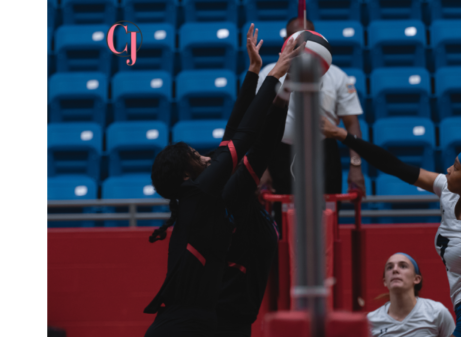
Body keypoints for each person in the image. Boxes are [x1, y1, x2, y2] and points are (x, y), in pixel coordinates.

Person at [142, 26, 303, 337]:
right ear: (186, 175)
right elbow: (247, 140)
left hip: (204, 323)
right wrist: (276, 78)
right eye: (195, 155)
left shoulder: (204, 195)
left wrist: (257, 73)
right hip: (191, 327)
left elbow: (232, 136)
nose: (205, 156)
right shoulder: (208, 194)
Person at [321, 119, 461, 337]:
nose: (448, 169)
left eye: (455, 168)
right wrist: (343, 136)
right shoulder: (447, 190)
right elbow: (395, 166)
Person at [214, 29, 298, 337]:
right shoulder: (224, 195)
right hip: (221, 324)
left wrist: (253, 71)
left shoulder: (218, 188)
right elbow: (257, 140)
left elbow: (234, 130)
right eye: (201, 159)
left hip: (232, 319)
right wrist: (283, 80)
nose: (209, 158)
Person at [256, 17, 366, 228]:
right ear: (287, 40)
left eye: (311, 36)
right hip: (279, 154)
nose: (306, 42)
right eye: (298, 38)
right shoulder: (268, 74)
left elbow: (352, 124)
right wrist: (262, 169)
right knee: (282, 223)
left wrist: (356, 166)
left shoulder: (337, 76)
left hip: (324, 154)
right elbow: (256, 123)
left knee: (327, 220)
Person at [368, 253, 455, 337]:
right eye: (390, 267)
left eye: (403, 266)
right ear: (385, 282)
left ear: (416, 279)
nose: (395, 270)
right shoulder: (371, 321)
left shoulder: (437, 312)